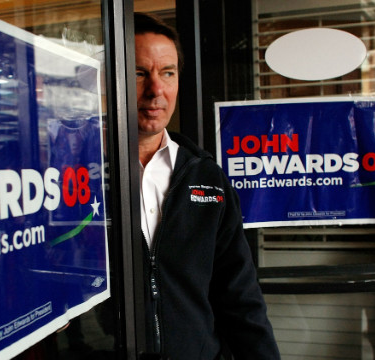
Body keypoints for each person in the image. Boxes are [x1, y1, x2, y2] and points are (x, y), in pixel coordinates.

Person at [134, 13, 280, 359]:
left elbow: (239, 296)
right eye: (139, 73)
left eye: (167, 73)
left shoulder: (206, 176)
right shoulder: (76, 179)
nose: (156, 90)